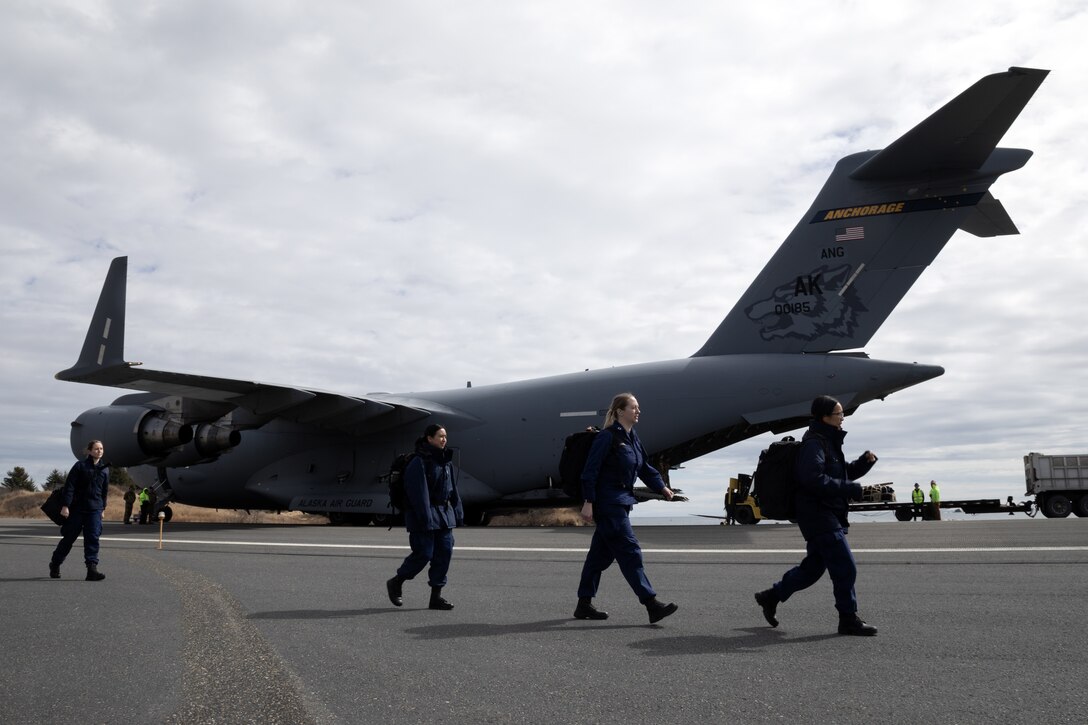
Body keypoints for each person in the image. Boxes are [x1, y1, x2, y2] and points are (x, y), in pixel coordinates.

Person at [754, 395, 878, 636]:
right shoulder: (814, 444)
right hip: (818, 514)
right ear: (824, 417)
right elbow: (812, 479)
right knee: (845, 566)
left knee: (812, 569)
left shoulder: (829, 442)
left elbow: (839, 473)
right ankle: (848, 619)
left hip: (827, 513)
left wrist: (862, 464)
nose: (843, 418)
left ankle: (771, 596)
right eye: (839, 414)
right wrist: (849, 489)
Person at [573, 393, 678, 624]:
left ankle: (583, 604)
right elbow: (590, 471)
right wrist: (588, 502)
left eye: (638, 407)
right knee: (630, 552)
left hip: (621, 502)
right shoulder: (606, 437)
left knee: (598, 558)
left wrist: (662, 487)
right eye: (633, 407)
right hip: (609, 505)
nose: (638, 411)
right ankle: (651, 604)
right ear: (620, 411)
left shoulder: (632, 438)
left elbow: (644, 467)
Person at [386, 424, 464, 610]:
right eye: (440, 436)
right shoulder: (418, 462)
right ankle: (397, 581)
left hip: (444, 517)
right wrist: (425, 519)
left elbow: (453, 490)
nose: (444, 439)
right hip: (423, 516)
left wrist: (458, 512)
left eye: (445, 436)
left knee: (444, 554)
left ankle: (436, 597)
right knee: (423, 554)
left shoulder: (446, 462)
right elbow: (418, 494)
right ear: (429, 438)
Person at [49, 440, 110, 581]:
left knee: (93, 538)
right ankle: (55, 563)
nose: (99, 451)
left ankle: (92, 569)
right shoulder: (80, 466)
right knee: (69, 538)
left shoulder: (105, 469)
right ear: (89, 451)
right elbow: (70, 487)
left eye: (101, 448)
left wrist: (103, 508)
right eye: (96, 449)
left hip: (95, 509)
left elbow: (104, 491)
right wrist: (65, 506)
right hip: (77, 509)